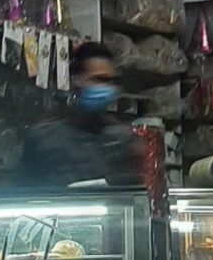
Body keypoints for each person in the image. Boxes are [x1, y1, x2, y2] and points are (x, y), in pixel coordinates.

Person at [16, 41, 144, 187]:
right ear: (76, 81)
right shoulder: (43, 139)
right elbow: (22, 192)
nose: (105, 87)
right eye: (98, 79)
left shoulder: (122, 140)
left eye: (110, 81)